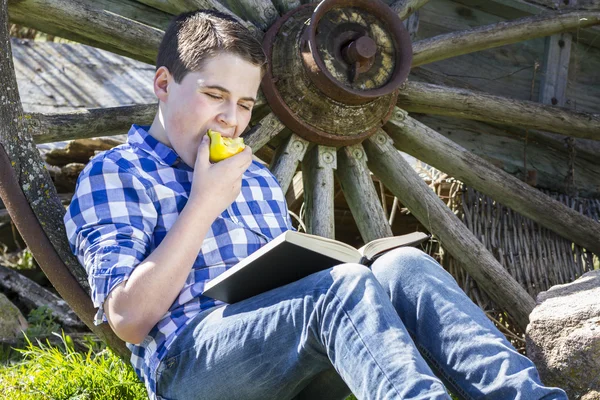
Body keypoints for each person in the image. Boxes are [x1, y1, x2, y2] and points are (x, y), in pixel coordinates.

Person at [64, 9, 568, 400]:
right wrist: (203, 203)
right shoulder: (119, 172)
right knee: (339, 287)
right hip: (192, 364)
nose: (230, 120)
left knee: (404, 266)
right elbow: (128, 319)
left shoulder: (256, 177)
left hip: (288, 356)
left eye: (243, 104)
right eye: (214, 95)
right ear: (163, 84)